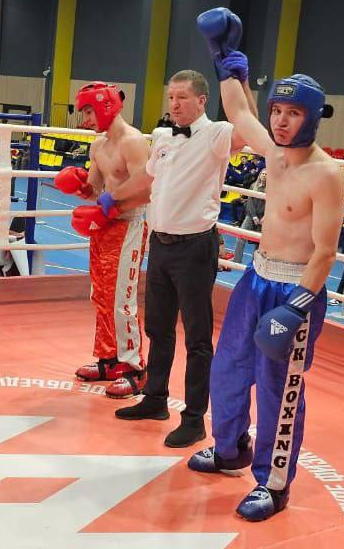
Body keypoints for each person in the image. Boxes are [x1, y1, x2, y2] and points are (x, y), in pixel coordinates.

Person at [186, 7, 344, 522]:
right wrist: (223, 59)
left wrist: (297, 307)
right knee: (229, 369)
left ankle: (274, 485)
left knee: (280, 390)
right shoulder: (274, 157)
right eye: (276, 110)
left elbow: (325, 251)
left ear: (312, 118)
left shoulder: (326, 175)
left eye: (292, 113)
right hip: (256, 279)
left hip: (295, 290)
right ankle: (229, 447)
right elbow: (238, 112)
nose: (279, 120)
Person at [107, 61, 247, 447]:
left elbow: (247, 127)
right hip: (160, 244)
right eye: (171, 97)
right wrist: (110, 200)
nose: (174, 104)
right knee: (158, 327)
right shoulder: (163, 137)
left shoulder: (216, 134)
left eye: (182, 97)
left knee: (198, 337)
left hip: (195, 247)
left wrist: (241, 82)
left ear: (202, 100)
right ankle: (155, 399)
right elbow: (147, 178)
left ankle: (194, 418)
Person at [54, 82, 150, 399]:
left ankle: (135, 368)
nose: (85, 120)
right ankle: (109, 359)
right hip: (105, 225)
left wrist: (114, 205)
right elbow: (95, 190)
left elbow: (148, 189)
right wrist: (79, 186)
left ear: (104, 106)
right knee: (101, 294)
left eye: (88, 112)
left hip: (129, 224)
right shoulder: (98, 146)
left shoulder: (133, 142)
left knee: (122, 297)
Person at [232, 166, 267, 265]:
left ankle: (255, 263)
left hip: (264, 218)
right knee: (241, 236)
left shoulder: (272, 189)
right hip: (251, 216)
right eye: (263, 174)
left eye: (266, 174)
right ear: (260, 175)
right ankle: (236, 260)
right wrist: (254, 216)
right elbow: (250, 202)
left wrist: (265, 217)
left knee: (259, 242)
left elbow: (271, 204)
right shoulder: (253, 185)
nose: (264, 176)